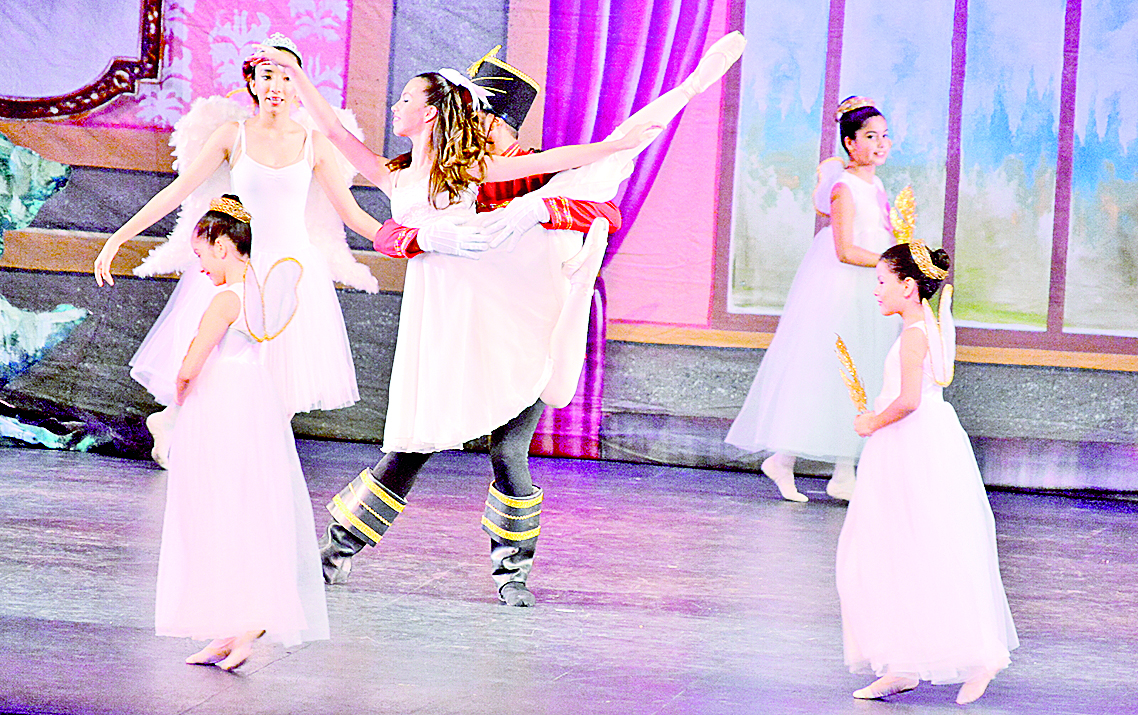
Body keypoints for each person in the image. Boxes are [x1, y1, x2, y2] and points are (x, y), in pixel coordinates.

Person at [259, 32, 747, 606]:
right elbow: (340, 136)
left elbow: (564, 167)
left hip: (506, 305)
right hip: (443, 316)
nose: (396, 107)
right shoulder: (402, 172)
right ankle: (335, 553)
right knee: (413, 443)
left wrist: (618, 146)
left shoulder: (473, 170)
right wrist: (295, 72)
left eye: (407, 99)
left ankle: (512, 572)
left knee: (508, 450)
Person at [92, 34, 479, 468]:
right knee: (217, 362)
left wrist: (414, 240)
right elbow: (178, 191)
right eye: (266, 75)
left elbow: (353, 214)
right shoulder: (232, 135)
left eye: (285, 76)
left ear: (299, 85)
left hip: (295, 270)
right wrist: (119, 237)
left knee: (282, 378)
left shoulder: (314, 143)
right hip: (241, 269)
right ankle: (173, 419)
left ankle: (250, 456)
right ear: (253, 83)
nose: (276, 85)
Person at [836, 241, 1018, 704]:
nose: (876, 290)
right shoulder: (924, 326)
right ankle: (901, 664)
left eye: (882, 281)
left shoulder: (915, 333)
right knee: (901, 548)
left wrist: (872, 422)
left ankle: (979, 655)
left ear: (908, 286)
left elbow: (910, 400)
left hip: (910, 445)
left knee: (910, 546)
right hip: (914, 445)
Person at [154, 195, 328, 670]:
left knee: (218, 505)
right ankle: (233, 629)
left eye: (202, 255)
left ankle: (242, 624)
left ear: (222, 246)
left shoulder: (226, 298)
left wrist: (180, 393)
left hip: (222, 402)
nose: (201, 266)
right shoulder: (258, 292)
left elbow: (192, 362)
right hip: (252, 399)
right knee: (243, 506)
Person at [725, 97, 900, 502]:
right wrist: (890, 261)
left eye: (884, 136)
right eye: (870, 136)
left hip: (871, 290)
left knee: (865, 371)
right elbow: (845, 250)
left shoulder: (877, 185)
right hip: (845, 288)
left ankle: (844, 472)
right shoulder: (844, 188)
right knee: (832, 371)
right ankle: (783, 459)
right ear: (850, 143)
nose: (880, 144)